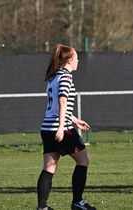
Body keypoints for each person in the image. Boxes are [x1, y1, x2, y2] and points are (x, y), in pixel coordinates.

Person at [37, 44, 96, 210]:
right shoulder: (66, 77)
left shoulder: (53, 76)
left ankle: (42, 208)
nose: (78, 61)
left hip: (47, 128)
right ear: (69, 59)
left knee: (49, 168)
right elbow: (62, 101)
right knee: (83, 160)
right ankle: (77, 202)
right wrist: (63, 126)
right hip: (60, 129)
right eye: (76, 57)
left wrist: (75, 120)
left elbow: (59, 105)